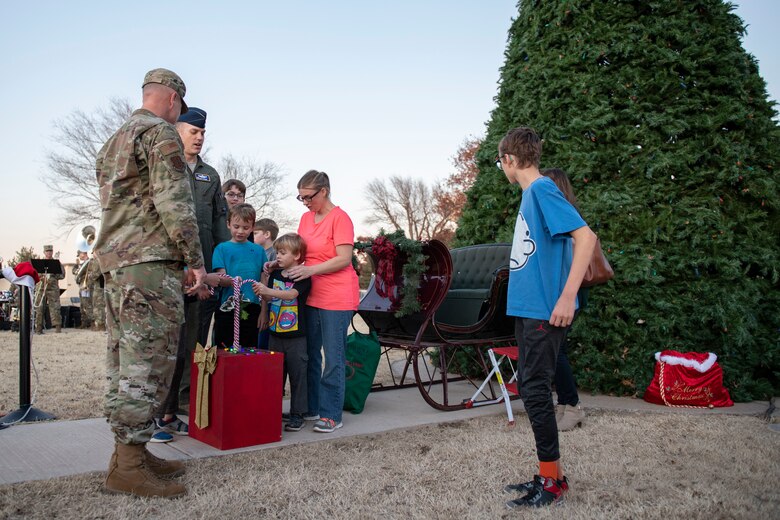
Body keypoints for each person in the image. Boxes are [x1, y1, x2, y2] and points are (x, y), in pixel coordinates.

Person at [94, 67, 206, 499]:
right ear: (174, 101)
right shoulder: (160, 134)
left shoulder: (113, 141)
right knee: (149, 362)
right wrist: (194, 260)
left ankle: (130, 455)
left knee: (124, 361)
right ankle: (128, 467)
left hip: (117, 265)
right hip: (150, 265)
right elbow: (174, 202)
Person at [497, 127, 596, 508]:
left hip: (544, 309)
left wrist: (567, 297)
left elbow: (585, 238)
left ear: (509, 159)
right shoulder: (531, 195)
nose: (500, 168)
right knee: (532, 388)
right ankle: (549, 475)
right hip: (528, 309)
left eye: (499, 161)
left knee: (536, 391)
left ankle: (552, 483)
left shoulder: (541, 189)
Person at [152, 106, 231, 443]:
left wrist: (217, 268)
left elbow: (217, 224)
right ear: (177, 130)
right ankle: (159, 415)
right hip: (171, 271)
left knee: (194, 345)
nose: (199, 138)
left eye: (202, 133)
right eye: (193, 132)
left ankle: (182, 409)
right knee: (169, 347)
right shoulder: (166, 168)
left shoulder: (210, 175)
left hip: (203, 275)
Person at [281, 170, 359, 434]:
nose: (304, 202)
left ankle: (331, 413)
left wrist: (310, 271)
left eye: (308, 197)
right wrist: (281, 263)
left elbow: (344, 258)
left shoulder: (341, 218)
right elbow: (301, 255)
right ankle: (310, 407)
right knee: (310, 355)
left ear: (324, 191)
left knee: (333, 357)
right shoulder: (305, 218)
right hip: (310, 295)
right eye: (300, 197)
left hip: (337, 296)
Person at [541, 168, 588, 432]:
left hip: (564, 295)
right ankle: (564, 405)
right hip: (564, 294)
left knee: (556, 355)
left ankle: (572, 406)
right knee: (559, 353)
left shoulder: (564, 219)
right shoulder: (565, 216)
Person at [253, 233, 311, 432]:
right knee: (276, 376)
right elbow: (269, 299)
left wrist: (268, 291)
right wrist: (262, 293)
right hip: (274, 334)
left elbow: (291, 294)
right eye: (277, 252)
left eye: (283, 253)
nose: (278, 256)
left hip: (296, 337)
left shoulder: (301, 276)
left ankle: (298, 414)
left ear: (297, 255)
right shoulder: (276, 275)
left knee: (298, 375)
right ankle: (273, 410)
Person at [212, 203, 267, 350]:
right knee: (224, 350)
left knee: (249, 351)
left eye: (246, 227)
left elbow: (264, 284)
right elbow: (220, 278)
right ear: (228, 224)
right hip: (227, 307)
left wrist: (264, 311)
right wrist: (232, 282)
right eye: (236, 226)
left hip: (252, 307)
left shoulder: (259, 251)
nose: (240, 231)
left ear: (252, 227)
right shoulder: (221, 249)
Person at [254, 218, 278, 349]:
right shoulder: (258, 252)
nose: (252, 237)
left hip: (270, 303)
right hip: (260, 300)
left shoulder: (275, 254)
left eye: (255, 233)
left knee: (264, 341)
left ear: (267, 234)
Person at [34, 245, 64, 334]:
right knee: (39, 308)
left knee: (55, 307)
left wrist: (54, 273)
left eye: (50, 251)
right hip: (41, 287)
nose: (49, 253)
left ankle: (57, 327)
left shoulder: (57, 263)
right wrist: (41, 276)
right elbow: (35, 274)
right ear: (44, 252)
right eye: (47, 251)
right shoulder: (39, 263)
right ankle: (38, 328)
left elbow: (62, 275)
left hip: (53, 288)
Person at [85, 250, 106, 332]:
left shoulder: (98, 261)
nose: (93, 255)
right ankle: (100, 324)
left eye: (93, 253)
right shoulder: (102, 259)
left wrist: (90, 276)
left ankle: (100, 324)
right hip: (100, 285)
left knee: (98, 306)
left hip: (99, 286)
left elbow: (95, 274)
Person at [73, 250, 93, 329]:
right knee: (82, 305)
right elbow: (74, 272)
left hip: (87, 286)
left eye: (79, 255)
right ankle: (84, 322)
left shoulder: (89, 262)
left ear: (83, 253)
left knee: (88, 305)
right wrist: (78, 266)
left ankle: (92, 322)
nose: (79, 256)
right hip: (81, 286)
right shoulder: (80, 264)